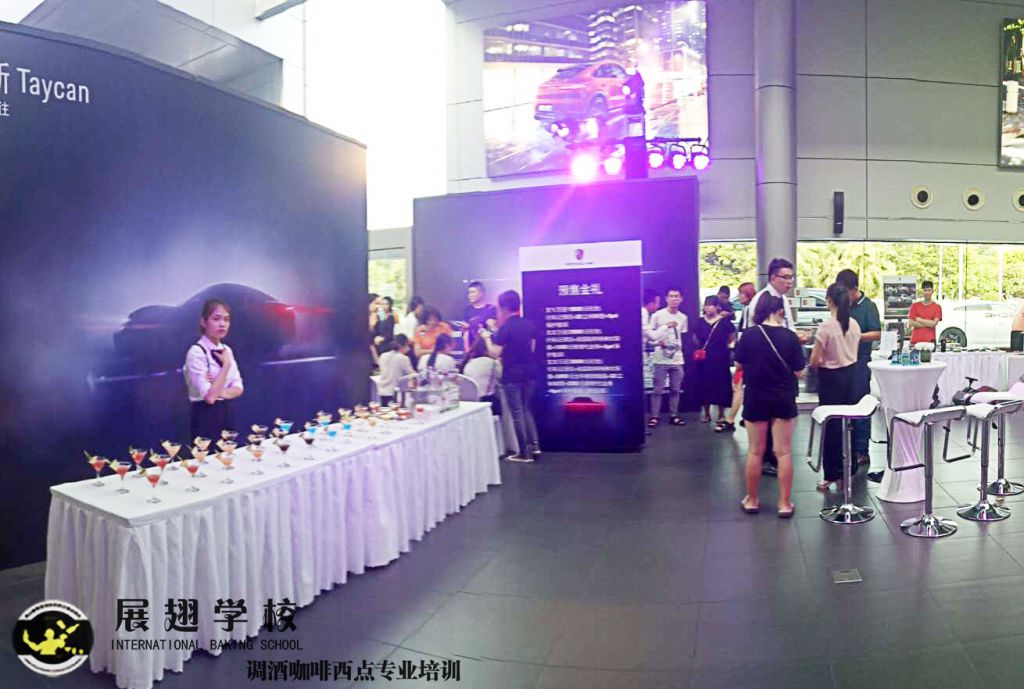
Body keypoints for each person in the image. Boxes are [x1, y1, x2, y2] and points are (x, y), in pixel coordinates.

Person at [735, 294, 806, 517]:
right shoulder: (790, 337)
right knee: (783, 452)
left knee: (755, 451)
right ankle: (784, 504)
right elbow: (799, 371)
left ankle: (751, 500)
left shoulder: (748, 335)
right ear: (780, 311)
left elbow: (739, 364)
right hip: (783, 397)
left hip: (755, 396)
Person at [745, 258, 806, 475]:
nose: (789, 282)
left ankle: (773, 457)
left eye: (791, 277)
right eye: (785, 277)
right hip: (765, 368)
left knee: (779, 418)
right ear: (772, 278)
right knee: (765, 421)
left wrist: (794, 338)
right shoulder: (762, 300)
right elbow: (755, 335)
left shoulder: (783, 299)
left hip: (783, 368)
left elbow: (786, 328)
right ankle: (766, 459)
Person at [809, 283, 862, 491]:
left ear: (829, 300)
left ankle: (832, 474)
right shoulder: (854, 324)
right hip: (851, 377)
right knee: (849, 424)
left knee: (831, 427)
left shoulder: (826, 327)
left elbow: (814, 360)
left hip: (831, 380)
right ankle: (849, 471)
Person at [481, 290, 540, 462]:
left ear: (504, 308)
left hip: (512, 374)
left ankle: (523, 453)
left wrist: (487, 338)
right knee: (526, 409)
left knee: (517, 412)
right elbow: (531, 349)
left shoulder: (505, 328)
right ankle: (535, 447)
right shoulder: (529, 325)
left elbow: (494, 353)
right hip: (530, 373)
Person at [836, 269, 883, 478]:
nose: (844, 296)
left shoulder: (868, 306)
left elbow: (877, 333)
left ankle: (862, 450)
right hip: (842, 360)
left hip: (860, 361)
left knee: (861, 404)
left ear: (854, 289)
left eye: (846, 292)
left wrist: (855, 336)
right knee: (845, 404)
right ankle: (846, 447)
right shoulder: (842, 305)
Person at [184, 299, 244, 440]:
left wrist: (217, 391)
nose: (222, 324)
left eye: (226, 320)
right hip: (205, 416)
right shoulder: (197, 352)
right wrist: (226, 366)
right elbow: (210, 398)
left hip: (227, 413)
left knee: (229, 451)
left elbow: (238, 388)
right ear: (204, 322)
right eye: (216, 319)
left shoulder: (227, 350)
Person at [717, 281, 757, 433]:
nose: (739, 296)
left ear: (748, 294)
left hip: (747, 354)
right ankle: (742, 417)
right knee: (743, 386)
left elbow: (746, 333)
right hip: (750, 354)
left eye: (741, 293)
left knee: (738, 386)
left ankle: (730, 419)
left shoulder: (749, 310)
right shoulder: (749, 309)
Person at [647, 287, 688, 428]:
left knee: (675, 389)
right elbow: (649, 337)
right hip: (660, 357)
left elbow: (682, 337)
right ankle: (654, 416)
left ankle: (673, 415)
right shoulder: (657, 315)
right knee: (657, 389)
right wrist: (657, 343)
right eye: (671, 296)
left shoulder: (683, 317)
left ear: (681, 299)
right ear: (666, 299)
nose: (674, 299)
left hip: (677, 358)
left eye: (676, 296)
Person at [691, 295, 736, 425]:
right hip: (704, 359)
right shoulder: (700, 322)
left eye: (711, 305)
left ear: (717, 307)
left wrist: (727, 347)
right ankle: (706, 413)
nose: (708, 308)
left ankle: (721, 414)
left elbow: (731, 336)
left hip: (721, 358)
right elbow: (695, 338)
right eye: (706, 305)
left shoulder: (724, 322)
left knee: (721, 384)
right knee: (704, 384)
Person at [461, 336, 502, 411]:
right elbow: (501, 376)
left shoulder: (468, 362)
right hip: (487, 402)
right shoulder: (493, 363)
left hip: (470, 403)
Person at [377, 334, 414, 406]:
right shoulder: (403, 358)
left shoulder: (383, 356)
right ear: (404, 345)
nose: (408, 349)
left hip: (382, 392)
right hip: (395, 393)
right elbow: (412, 375)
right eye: (407, 346)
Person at [642, 288, 661, 419]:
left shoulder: (644, 314)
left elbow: (646, 338)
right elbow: (652, 335)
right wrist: (666, 327)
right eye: (657, 303)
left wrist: (656, 343)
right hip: (637, 356)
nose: (658, 306)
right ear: (650, 304)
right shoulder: (643, 313)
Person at [463, 281, 498, 350]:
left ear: (481, 294)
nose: (470, 295)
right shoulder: (468, 310)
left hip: (488, 349)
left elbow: (496, 330)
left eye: (473, 292)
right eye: (469, 293)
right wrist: (467, 349)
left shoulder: (491, 309)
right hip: (473, 350)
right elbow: (466, 333)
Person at [908, 280, 942, 345]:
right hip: (915, 342)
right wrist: (928, 324)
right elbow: (910, 323)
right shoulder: (915, 306)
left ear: (932, 291)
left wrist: (918, 319)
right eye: (925, 290)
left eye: (929, 290)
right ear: (922, 291)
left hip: (930, 342)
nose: (927, 293)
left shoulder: (937, 307)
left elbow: (933, 324)